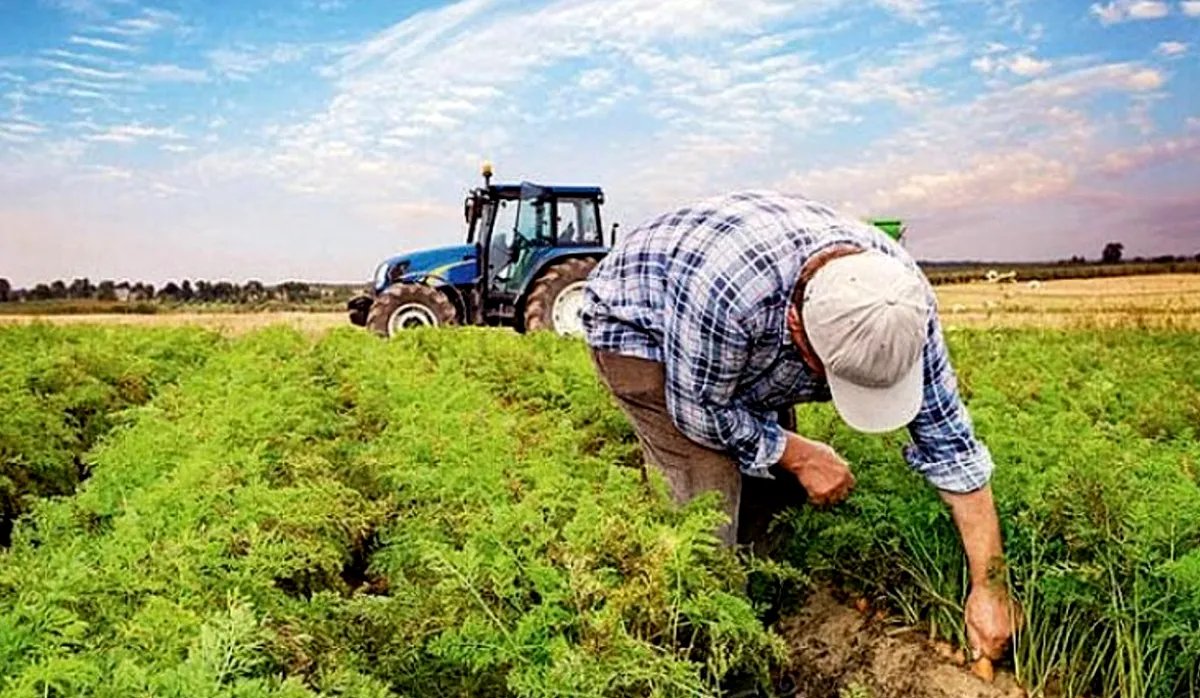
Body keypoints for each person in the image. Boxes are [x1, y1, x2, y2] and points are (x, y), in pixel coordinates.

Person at [579, 190, 1013, 664]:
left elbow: (952, 448)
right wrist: (801, 453)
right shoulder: (730, 296)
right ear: (797, 330)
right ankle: (713, 655)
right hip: (643, 330)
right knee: (707, 504)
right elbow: (700, 413)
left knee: (775, 488)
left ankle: (766, 618)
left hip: (739, 334)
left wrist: (990, 588)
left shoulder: (900, 302)